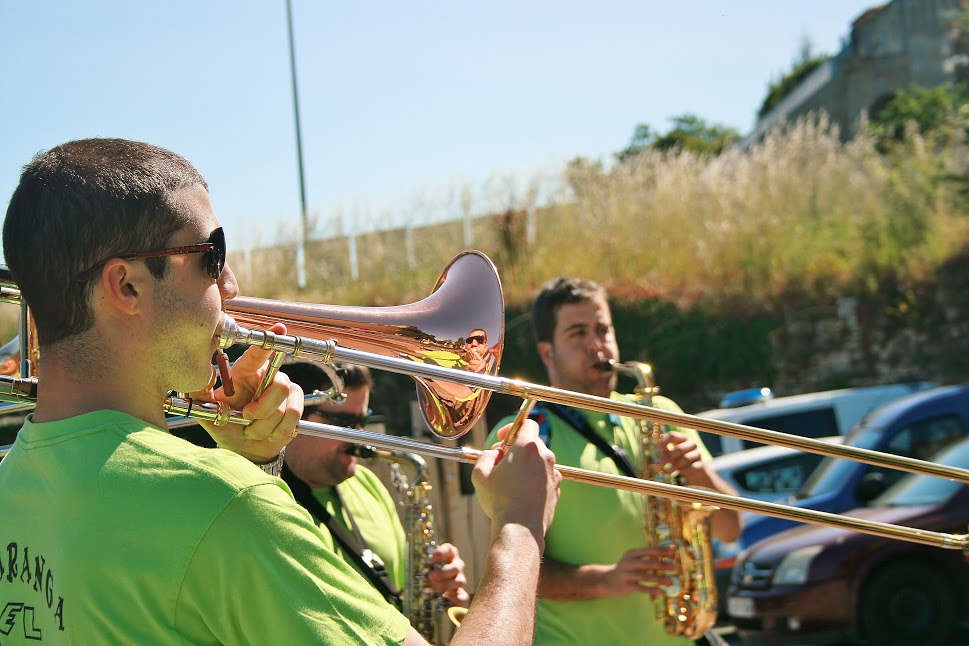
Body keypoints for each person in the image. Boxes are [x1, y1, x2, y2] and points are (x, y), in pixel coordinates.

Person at [0, 137, 560, 645]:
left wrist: (257, 465)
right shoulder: (222, 507)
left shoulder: (12, 482)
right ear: (126, 285)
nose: (233, 287)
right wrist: (520, 525)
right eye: (211, 255)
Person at [487, 276, 742, 646]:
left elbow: (730, 531)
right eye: (577, 333)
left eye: (603, 330)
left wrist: (700, 475)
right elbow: (508, 568)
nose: (597, 346)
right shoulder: (524, 433)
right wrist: (606, 579)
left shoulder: (661, 413)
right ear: (547, 353)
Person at [279, 359, 470, 614]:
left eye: (363, 421)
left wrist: (436, 582)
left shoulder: (366, 482)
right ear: (293, 414)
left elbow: (400, 582)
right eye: (344, 422)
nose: (359, 434)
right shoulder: (265, 496)